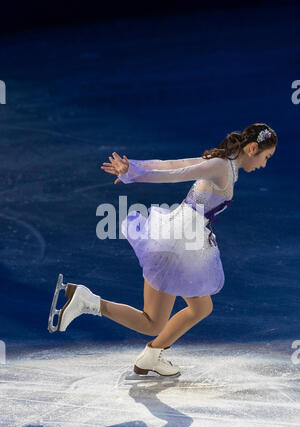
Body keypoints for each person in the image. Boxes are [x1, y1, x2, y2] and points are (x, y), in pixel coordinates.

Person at [52, 123, 277, 377]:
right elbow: (174, 172)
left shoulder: (224, 164)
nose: (264, 164)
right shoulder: (222, 166)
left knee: (199, 309)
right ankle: (87, 302)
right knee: (152, 322)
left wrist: (134, 168)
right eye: (266, 157)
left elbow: (173, 164)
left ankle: (151, 354)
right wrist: (132, 172)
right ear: (252, 148)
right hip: (177, 245)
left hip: (183, 240)